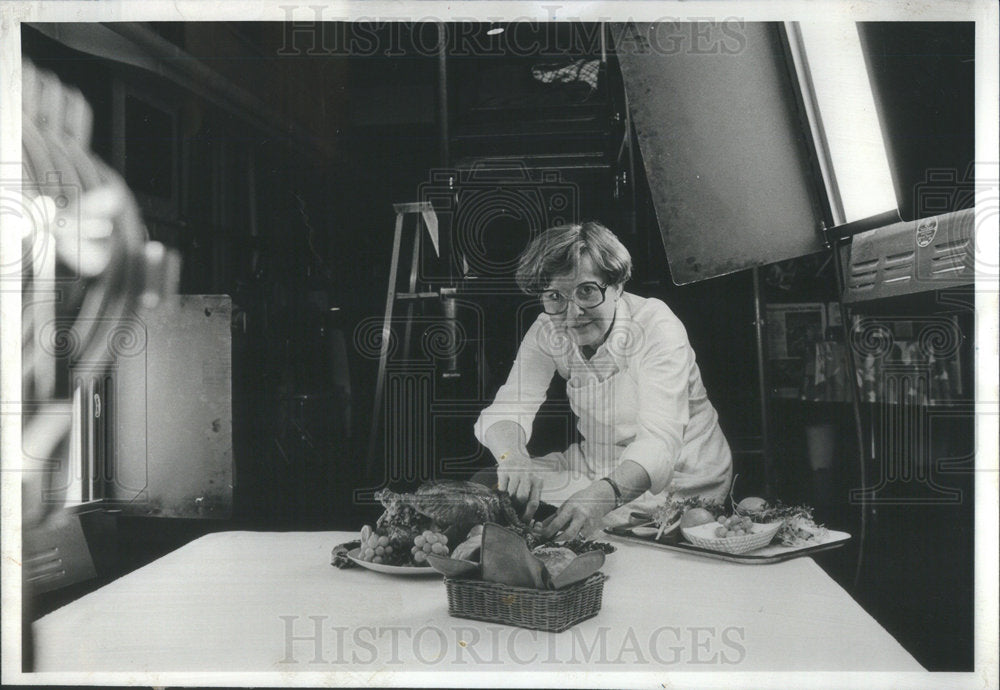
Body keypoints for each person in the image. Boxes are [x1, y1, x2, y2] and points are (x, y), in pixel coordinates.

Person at [473, 221, 732, 540]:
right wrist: (512, 458)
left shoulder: (656, 326)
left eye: (587, 291)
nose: (572, 314)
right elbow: (508, 408)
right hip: (597, 463)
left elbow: (659, 443)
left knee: (578, 530)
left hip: (679, 476)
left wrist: (601, 496)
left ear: (617, 286)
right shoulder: (548, 329)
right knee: (489, 484)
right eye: (555, 296)